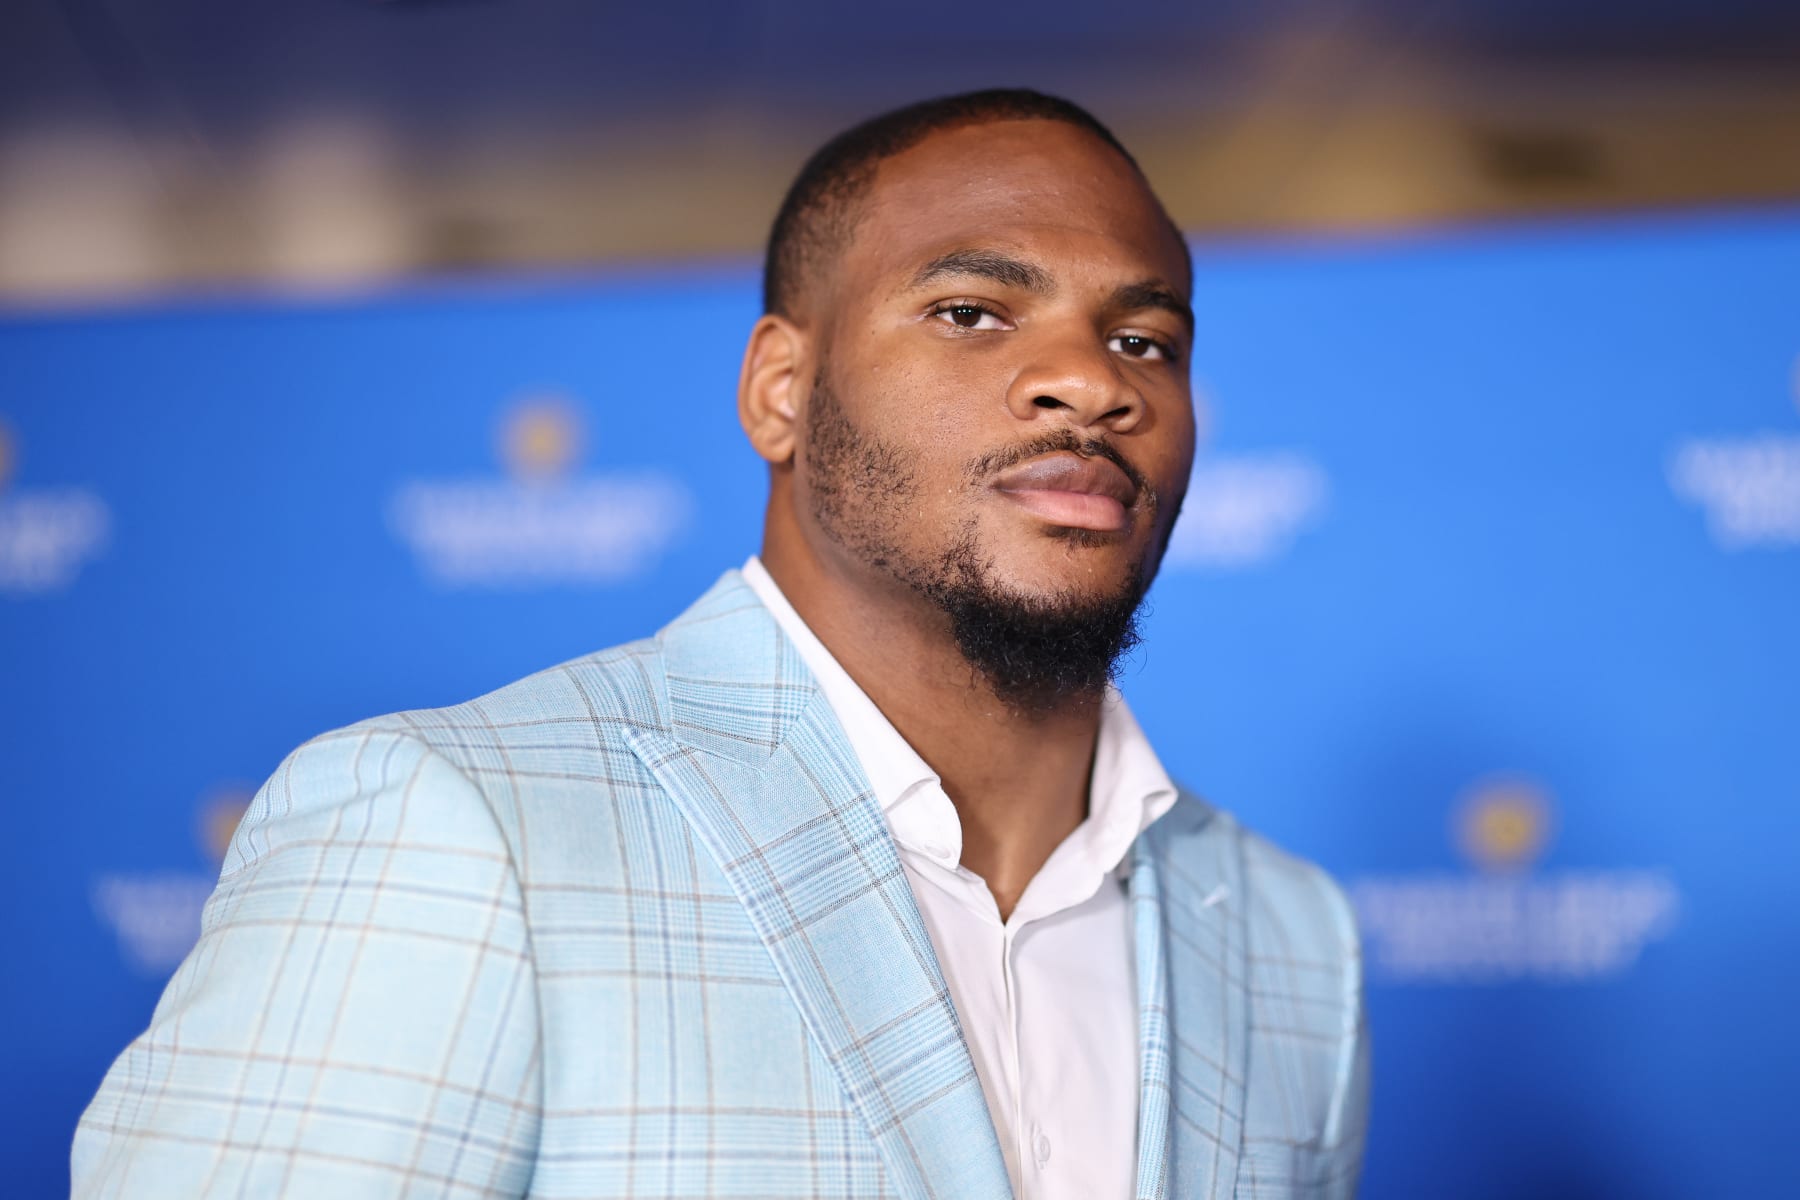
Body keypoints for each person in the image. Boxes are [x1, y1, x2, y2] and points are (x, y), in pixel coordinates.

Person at [73, 89, 1369, 1200]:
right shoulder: (462, 826)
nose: (1093, 380)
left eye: (1145, 339)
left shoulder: (1284, 928)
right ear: (781, 391)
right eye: (974, 311)